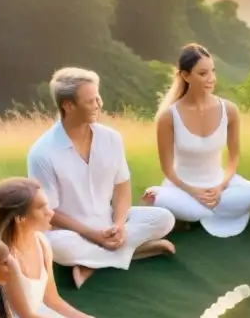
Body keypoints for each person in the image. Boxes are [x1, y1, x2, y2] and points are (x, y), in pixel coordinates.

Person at [27, 67, 177, 289]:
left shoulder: (111, 139)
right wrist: (92, 234)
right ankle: (130, 252)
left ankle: (93, 263)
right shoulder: (42, 153)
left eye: (98, 97)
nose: (98, 104)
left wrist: (118, 225)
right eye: (90, 101)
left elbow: (122, 186)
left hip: (109, 222)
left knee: (164, 218)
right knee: (48, 244)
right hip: (70, 233)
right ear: (68, 106)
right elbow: (49, 212)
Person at [0, 177, 112, 318]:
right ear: (20, 217)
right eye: (42, 207)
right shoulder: (6, 259)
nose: (51, 212)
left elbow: (52, 299)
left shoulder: (41, 241)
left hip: (41, 316)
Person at [141, 44, 250, 237]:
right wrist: (193, 191)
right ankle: (182, 206)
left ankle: (194, 213)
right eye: (203, 73)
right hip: (182, 187)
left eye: (213, 71)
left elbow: (234, 158)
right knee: (188, 207)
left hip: (219, 185)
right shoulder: (168, 117)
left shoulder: (229, 110)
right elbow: (168, 169)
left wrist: (220, 187)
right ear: (185, 75)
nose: (211, 79)